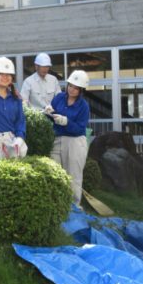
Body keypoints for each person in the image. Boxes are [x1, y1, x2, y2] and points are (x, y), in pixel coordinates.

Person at [45, 70, 90, 205]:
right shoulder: (59, 97)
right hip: (57, 138)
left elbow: (80, 128)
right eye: (70, 85)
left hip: (75, 142)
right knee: (54, 172)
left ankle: (74, 207)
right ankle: (57, 205)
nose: (72, 89)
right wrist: (48, 112)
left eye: (76, 88)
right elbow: (53, 118)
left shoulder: (84, 106)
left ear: (81, 90)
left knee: (73, 176)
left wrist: (67, 122)